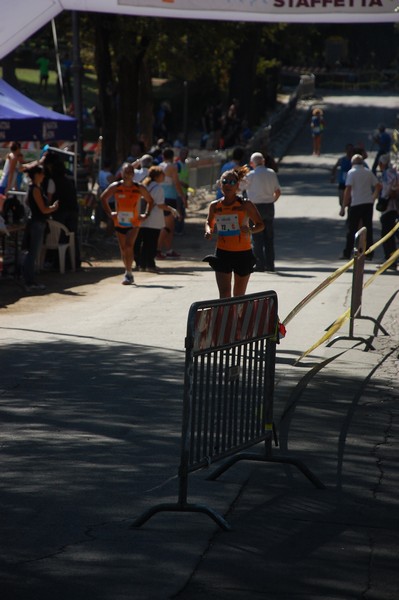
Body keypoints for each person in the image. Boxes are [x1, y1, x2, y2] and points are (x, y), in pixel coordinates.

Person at [203, 166, 264, 298]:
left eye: (231, 182)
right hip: (222, 252)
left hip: (243, 253)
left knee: (239, 295)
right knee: (224, 294)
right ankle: (226, 318)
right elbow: (209, 222)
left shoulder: (245, 204)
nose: (228, 185)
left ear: (237, 185)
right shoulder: (215, 205)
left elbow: (260, 225)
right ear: (220, 184)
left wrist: (250, 230)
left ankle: (238, 318)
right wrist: (209, 231)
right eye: (224, 182)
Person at [101, 162, 154, 285]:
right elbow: (103, 198)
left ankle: (129, 274)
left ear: (133, 174)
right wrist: (110, 213)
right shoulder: (116, 186)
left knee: (130, 246)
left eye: (130, 172)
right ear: (122, 173)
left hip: (134, 222)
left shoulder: (139, 187)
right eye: (126, 172)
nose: (128, 175)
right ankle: (127, 270)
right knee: (124, 249)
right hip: (119, 222)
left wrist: (146, 215)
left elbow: (150, 201)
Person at [134, 166, 179, 272]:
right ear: (158, 176)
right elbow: (160, 205)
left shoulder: (145, 185)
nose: (164, 176)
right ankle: (150, 264)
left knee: (144, 243)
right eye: (162, 174)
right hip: (153, 219)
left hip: (143, 219)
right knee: (151, 243)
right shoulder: (158, 188)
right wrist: (171, 209)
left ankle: (142, 264)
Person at [22, 165, 59, 291]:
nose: (43, 176)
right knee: (32, 253)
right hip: (37, 223)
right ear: (37, 175)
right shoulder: (36, 190)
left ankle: (30, 279)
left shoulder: (34, 188)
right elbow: (43, 209)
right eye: (42, 174)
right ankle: (29, 281)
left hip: (36, 223)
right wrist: (53, 208)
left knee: (32, 253)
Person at [340, 154, 382, 260]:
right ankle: (369, 253)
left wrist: (343, 206)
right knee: (368, 228)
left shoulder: (351, 172)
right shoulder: (368, 172)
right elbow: (378, 186)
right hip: (367, 203)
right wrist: (373, 198)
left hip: (356, 203)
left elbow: (348, 190)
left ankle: (347, 252)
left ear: (352, 163)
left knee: (352, 229)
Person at [245, 152, 281, 272]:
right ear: (263, 161)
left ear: (251, 163)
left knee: (256, 237)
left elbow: (240, 188)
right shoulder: (271, 173)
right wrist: (272, 201)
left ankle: (260, 264)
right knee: (269, 237)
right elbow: (278, 191)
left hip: (254, 208)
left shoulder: (250, 175)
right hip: (269, 206)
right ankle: (270, 265)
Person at [156, 147, 185, 259]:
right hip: (170, 198)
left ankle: (168, 249)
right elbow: (176, 183)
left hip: (161, 197)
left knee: (170, 226)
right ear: (172, 157)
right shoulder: (172, 167)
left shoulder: (159, 166)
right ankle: (157, 250)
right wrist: (183, 197)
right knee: (168, 227)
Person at [376, 154, 398, 271]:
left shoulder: (387, 173)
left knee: (387, 236)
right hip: (392, 208)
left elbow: (391, 186)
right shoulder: (393, 172)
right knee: (389, 235)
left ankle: (390, 261)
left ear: (381, 164)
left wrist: (388, 196)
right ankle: (391, 260)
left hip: (389, 208)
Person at [331, 143, 354, 212]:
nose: (349, 151)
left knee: (351, 201)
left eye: (351, 150)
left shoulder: (355, 160)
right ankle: (343, 207)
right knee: (341, 199)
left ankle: (349, 215)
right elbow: (334, 167)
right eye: (348, 150)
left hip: (352, 183)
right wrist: (333, 176)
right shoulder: (342, 160)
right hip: (342, 182)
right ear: (346, 150)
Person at [175, 147, 189, 235]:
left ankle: (180, 229)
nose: (185, 155)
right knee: (179, 210)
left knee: (182, 211)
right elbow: (175, 178)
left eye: (186, 154)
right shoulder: (178, 165)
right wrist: (183, 184)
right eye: (183, 153)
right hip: (178, 192)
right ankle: (177, 229)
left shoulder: (185, 165)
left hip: (184, 192)